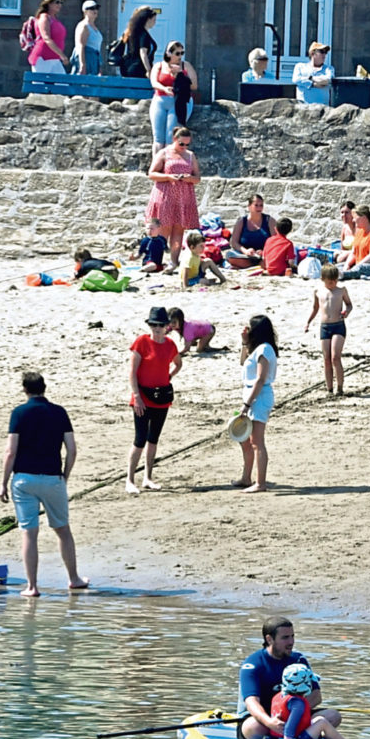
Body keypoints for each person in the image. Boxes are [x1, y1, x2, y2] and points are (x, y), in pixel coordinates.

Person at [0, 370, 85, 597]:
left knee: (29, 533)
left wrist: (3, 483)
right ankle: (74, 579)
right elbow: (72, 449)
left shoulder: (18, 413)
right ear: (44, 387)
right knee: (63, 530)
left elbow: (10, 452)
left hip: (24, 479)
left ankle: (32, 586)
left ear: (25, 389)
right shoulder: (59, 412)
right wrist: (65, 475)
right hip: (52, 478)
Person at [237, 617, 345, 739]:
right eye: (285, 638)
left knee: (333, 716)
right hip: (265, 719)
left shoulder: (298, 660)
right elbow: (251, 702)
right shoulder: (253, 664)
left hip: (295, 715)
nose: (291, 642)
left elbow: (316, 696)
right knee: (255, 726)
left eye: (292, 636)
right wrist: (270, 722)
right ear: (269, 639)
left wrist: (294, 715)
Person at [125, 306, 182, 495]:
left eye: (160, 324)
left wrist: (169, 377)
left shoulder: (170, 345)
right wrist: (137, 397)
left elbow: (178, 363)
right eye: (153, 324)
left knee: (153, 439)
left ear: (167, 326)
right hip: (142, 397)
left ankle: (148, 477)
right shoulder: (141, 342)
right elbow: (132, 373)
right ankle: (130, 480)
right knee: (139, 439)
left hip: (161, 397)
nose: (157, 328)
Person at [269, 663, 364, 739]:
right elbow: (290, 728)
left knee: (318, 720)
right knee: (322, 722)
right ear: (305, 685)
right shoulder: (298, 704)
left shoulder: (279, 697)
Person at [145, 126, 200, 262]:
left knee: (179, 230)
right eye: (181, 143)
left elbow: (197, 177)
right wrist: (169, 177)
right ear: (174, 139)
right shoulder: (164, 153)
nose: (184, 147)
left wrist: (188, 178)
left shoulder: (190, 155)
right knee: (163, 228)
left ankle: (174, 261)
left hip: (184, 197)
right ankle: (156, 260)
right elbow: (151, 173)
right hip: (165, 195)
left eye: (187, 144)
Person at [236, 315, 278, 492]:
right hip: (252, 395)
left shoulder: (265, 349)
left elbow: (260, 379)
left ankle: (260, 483)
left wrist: (247, 404)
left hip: (259, 397)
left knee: (257, 441)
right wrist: (244, 343)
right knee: (245, 439)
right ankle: (246, 478)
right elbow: (242, 362)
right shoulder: (257, 348)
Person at [306, 263, 352, 397]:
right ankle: (329, 388)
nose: (333, 284)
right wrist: (308, 322)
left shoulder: (341, 290)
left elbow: (349, 304)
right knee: (326, 359)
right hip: (325, 326)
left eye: (335, 281)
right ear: (323, 279)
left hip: (338, 325)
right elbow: (315, 309)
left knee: (335, 357)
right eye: (330, 281)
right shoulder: (318, 292)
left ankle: (340, 387)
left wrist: (346, 312)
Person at [150, 41, 197, 149]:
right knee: (158, 138)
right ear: (168, 53)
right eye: (177, 53)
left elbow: (194, 86)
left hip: (178, 101)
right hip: (160, 100)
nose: (180, 56)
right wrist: (164, 89)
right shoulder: (159, 66)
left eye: (182, 53)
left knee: (170, 137)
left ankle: (168, 164)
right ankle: (156, 164)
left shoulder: (186, 66)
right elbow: (154, 82)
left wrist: (180, 75)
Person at [23, 0, 70, 75]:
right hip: (42, 57)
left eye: (61, 2)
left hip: (54, 58)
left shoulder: (54, 18)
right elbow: (46, 38)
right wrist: (62, 55)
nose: (59, 5)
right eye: (57, 2)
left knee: (62, 85)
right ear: (49, 4)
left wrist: (59, 55)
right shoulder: (44, 17)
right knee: (39, 85)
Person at [224, 194, 275, 270]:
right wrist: (246, 251)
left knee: (272, 257)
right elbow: (234, 243)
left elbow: (275, 241)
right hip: (245, 255)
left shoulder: (269, 220)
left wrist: (264, 252)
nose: (259, 208)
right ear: (249, 206)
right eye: (256, 205)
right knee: (229, 255)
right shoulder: (242, 221)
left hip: (264, 255)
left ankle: (252, 265)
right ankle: (255, 265)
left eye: (261, 205)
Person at [117, 6, 157, 78]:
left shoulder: (134, 32)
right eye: (154, 20)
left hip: (129, 67)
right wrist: (149, 70)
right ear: (148, 20)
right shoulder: (143, 35)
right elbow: (143, 53)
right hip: (138, 69)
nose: (155, 23)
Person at [72, 1, 104, 75]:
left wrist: (99, 66)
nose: (95, 11)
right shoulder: (84, 26)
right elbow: (80, 46)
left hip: (94, 59)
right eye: (92, 8)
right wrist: (82, 65)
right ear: (85, 11)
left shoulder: (95, 28)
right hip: (86, 57)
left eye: (96, 8)